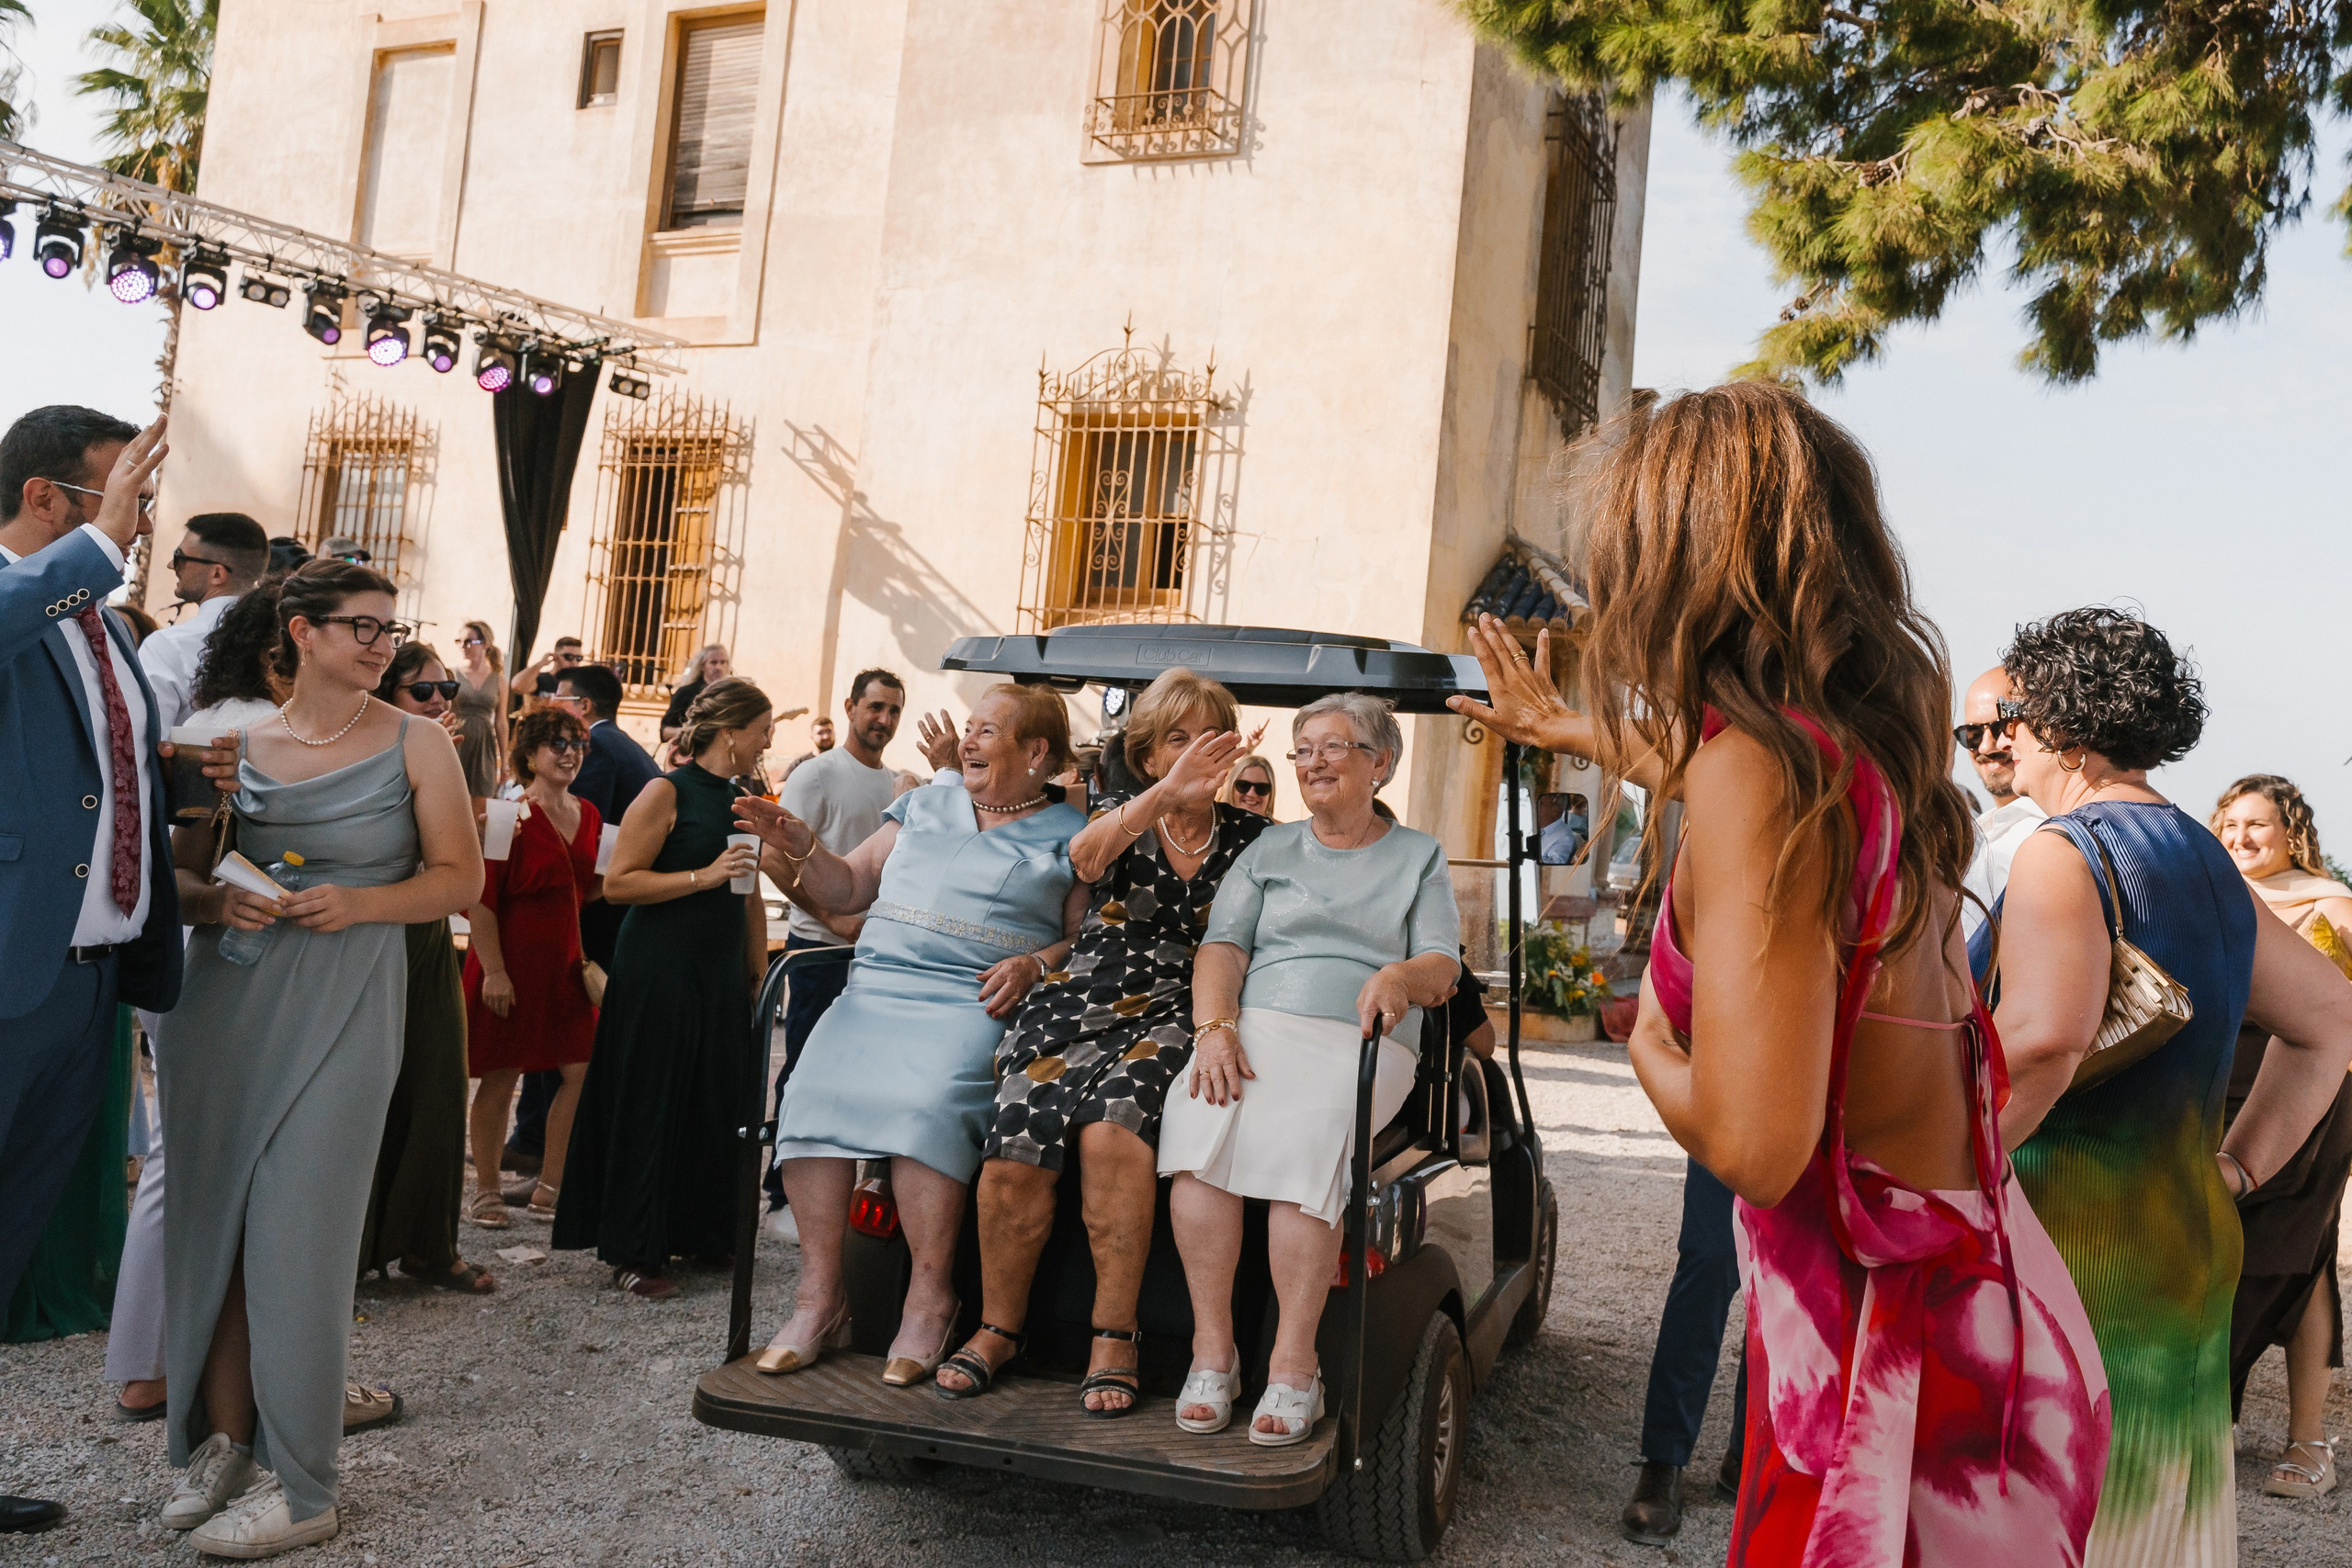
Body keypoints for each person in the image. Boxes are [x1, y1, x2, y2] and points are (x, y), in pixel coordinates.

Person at [1451, 385, 2112, 1558]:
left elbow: (1759, 1149)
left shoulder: (1754, 773)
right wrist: (1572, 732)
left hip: (1880, 1366)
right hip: (1975, 1310)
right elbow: (1724, 773)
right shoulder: (1863, 744)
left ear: (1675, 557)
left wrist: (1651, 1038)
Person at [1976, 605, 2352, 1562]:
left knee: (2069, 1515)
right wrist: (2236, 1171)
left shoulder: (2066, 853)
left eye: (2010, 714)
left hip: (2072, 1235)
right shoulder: (2203, 859)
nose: (1998, 736)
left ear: (2062, 723)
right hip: (2187, 1226)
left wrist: (1938, 1178)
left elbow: (2042, 1047)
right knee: (2160, 1515)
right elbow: (2331, 1022)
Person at [158, 558, 479, 1557]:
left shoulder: (419, 743)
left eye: (390, 628)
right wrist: (220, 898)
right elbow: (176, 878)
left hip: (348, 999)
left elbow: (459, 880)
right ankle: (226, 1447)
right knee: (213, 1232)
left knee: (302, 1236)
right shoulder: (229, 745)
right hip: (224, 1002)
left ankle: (307, 1487)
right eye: (361, 627)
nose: (383, 645)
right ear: (300, 633)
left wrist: (363, 903)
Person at [732, 683, 1087, 1384]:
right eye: (971, 728)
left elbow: (1082, 941)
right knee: (810, 1089)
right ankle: (819, 1296)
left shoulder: (1070, 836)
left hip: (971, 1002)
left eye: (989, 730)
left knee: (928, 1105)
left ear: (1037, 751)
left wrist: (1033, 962)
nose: (970, 740)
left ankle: (930, 1298)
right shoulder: (925, 801)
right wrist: (801, 845)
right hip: (877, 990)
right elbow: (846, 889)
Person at [936, 669, 1262, 1412]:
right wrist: (1164, 797)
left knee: (1116, 1126)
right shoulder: (1121, 810)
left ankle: (1115, 1334)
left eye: (1206, 738)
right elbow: (1084, 859)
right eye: (1174, 740)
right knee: (1018, 1125)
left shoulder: (1254, 836)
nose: (1191, 753)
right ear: (1148, 756)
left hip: (1183, 1002)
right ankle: (998, 1326)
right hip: (1085, 992)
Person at [1158, 693, 1462, 1444]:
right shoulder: (1269, 850)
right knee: (1199, 1131)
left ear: (1380, 763)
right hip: (1257, 1024)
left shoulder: (1418, 855)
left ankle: (1296, 1368)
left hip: (1362, 1035)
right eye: (1302, 749)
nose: (1312, 762)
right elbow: (1223, 947)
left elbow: (1442, 963)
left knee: (1309, 1141)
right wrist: (1215, 1028)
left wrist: (1397, 979)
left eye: (1333, 746)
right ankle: (1213, 1353)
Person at [0, 407, 176, 1538]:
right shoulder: (36, 595)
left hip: (86, 982)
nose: (141, 521)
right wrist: (102, 549)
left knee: (11, 1237)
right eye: (124, 497)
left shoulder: (101, 628)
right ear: (49, 500)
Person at [106, 577, 294, 1421]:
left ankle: (168, 1357)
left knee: (194, 1161)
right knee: (189, 1161)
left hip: (218, 961)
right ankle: (150, 1361)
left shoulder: (236, 721)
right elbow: (183, 865)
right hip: (213, 960)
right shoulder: (229, 732)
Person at [552, 678, 771, 1299]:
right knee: (653, 1097)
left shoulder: (743, 797)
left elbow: (750, 894)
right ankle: (633, 1247)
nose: (768, 739)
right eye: (762, 728)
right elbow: (620, 884)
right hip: (660, 967)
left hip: (718, 967)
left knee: (712, 1097)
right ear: (732, 731)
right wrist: (703, 875)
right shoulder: (664, 790)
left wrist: (756, 973)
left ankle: (702, 1229)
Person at [2211, 775, 2352, 1498]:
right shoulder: (2212, 896)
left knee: (2298, 1259)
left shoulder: (2331, 903)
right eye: (2229, 823)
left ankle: (2310, 1441)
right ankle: (2210, 1415)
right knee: (2217, 1248)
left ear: (2292, 830)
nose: (2239, 837)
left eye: (2256, 825)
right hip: (2216, 1096)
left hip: (2312, 1104)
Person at [355, 642, 492, 1294]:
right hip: (367, 933)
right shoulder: (358, 749)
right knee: (364, 1093)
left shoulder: (445, 754)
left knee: (437, 1087)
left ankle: (429, 1244)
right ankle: (352, 1250)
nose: (440, 702)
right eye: (423, 691)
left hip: (427, 937)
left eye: (448, 691)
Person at [762, 669, 909, 1217]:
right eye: (875, 708)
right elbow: (775, 857)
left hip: (874, 957)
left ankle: (842, 1200)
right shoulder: (817, 776)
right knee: (805, 1069)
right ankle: (781, 1197)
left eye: (894, 710)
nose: (884, 720)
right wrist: (834, 917)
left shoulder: (895, 782)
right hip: (818, 951)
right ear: (849, 707)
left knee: (863, 1076)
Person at [506, 663, 662, 1178]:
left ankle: (538, 1147)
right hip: (597, 911)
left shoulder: (597, 755)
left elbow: (570, 838)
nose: (569, 751)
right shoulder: (627, 747)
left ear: (585, 707)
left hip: (584, 917)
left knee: (557, 1048)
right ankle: (544, 1152)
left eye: (562, 697)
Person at [463, 705, 602, 1228]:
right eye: (558, 744)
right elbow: (481, 898)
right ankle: (488, 1191)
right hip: (510, 960)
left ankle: (551, 1186)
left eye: (578, 744)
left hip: (564, 963)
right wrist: (495, 972)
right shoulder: (505, 816)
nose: (570, 753)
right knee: (501, 1075)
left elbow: (589, 889)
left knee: (582, 1071)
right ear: (529, 755)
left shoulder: (589, 815)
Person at [139, 511, 269, 730]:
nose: (171, 565)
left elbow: (147, 737)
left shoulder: (169, 646)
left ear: (217, 574)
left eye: (180, 558)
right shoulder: (285, 637)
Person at [1955, 665, 2044, 937]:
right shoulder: (1975, 831)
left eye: (2001, 727)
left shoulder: (2049, 831)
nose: (1986, 746)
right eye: (1972, 734)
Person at [451, 620, 507, 803]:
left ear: (485, 644)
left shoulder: (498, 680)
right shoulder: (451, 674)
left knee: (481, 798)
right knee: (452, 795)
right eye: (460, 641)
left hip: (484, 741)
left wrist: (504, 762)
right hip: (457, 736)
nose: (463, 646)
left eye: (469, 641)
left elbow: (501, 722)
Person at [660, 641, 730, 742]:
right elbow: (665, 732)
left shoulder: (731, 694)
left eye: (723, 662)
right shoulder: (686, 692)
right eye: (713, 662)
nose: (718, 667)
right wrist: (691, 733)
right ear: (702, 666)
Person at [510, 635, 585, 701]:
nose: (574, 662)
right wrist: (541, 664)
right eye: (569, 657)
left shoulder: (580, 684)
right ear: (555, 656)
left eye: (578, 658)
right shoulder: (542, 679)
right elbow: (517, 686)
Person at [779, 714, 836, 783]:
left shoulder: (842, 760)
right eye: (820, 733)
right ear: (812, 737)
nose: (826, 736)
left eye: (829, 731)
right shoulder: (801, 763)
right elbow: (777, 788)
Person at [1217, 751, 1276, 818]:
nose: (1251, 794)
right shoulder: (1211, 825)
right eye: (1243, 786)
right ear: (1231, 788)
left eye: (1261, 788)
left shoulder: (1281, 828)